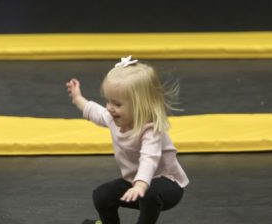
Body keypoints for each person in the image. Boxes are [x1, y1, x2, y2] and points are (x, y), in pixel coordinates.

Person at [66, 56, 188, 224]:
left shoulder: (150, 130)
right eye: (108, 101)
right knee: (102, 195)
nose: (110, 108)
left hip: (167, 185)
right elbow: (96, 112)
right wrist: (78, 98)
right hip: (135, 183)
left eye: (117, 104)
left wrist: (140, 185)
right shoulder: (112, 117)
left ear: (140, 106)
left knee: (149, 193)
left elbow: (149, 158)